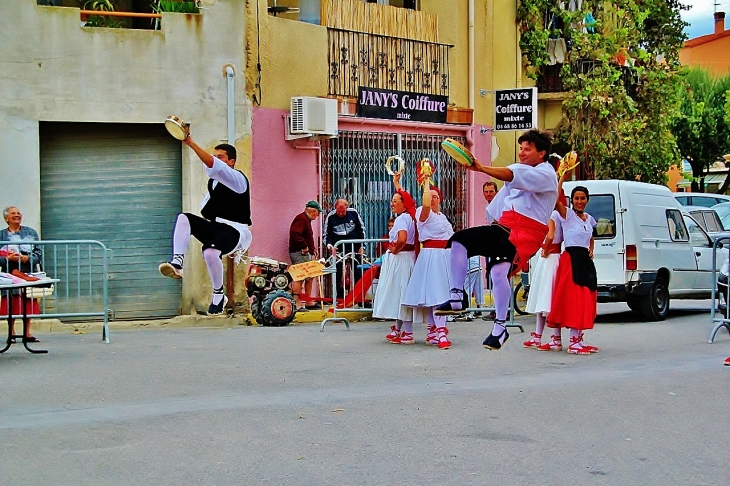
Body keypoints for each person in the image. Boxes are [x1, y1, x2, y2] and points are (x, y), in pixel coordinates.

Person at [435, 129, 558, 352]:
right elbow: (497, 206)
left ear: (542, 153)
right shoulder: (520, 175)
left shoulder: (546, 173)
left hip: (526, 233)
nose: (521, 152)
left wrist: (480, 167)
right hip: (504, 227)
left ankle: (500, 326)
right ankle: (457, 297)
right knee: (459, 241)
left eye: (527, 149)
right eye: (520, 148)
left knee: (498, 273)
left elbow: (511, 174)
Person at [158, 133, 252, 315]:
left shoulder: (237, 179)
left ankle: (218, 294)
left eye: (221, 157)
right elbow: (206, 209)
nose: (216, 160)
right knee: (184, 218)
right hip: (217, 227)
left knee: (210, 252)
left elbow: (211, 164)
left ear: (231, 162)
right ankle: (177, 263)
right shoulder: (214, 184)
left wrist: (190, 142)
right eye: (215, 156)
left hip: (235, 231)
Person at [546, 182, 599, 355]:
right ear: (572, 199)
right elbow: (555, 197)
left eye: (582, 198)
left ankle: (578, 339)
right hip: (571, 259)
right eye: (576, 198)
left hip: (584, 260)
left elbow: (591, 236)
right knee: (574, 298)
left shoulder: (589, 219)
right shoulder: (567, 215)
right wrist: (562, 176)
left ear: (587, 200)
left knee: (585, 298)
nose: (579, 201)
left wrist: (591, 249)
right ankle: (572, 343)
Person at [401, 184, 454, 348]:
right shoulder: (424, 213)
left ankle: (433, 331)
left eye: (435, 196)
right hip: (432, 256)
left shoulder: (442, 217)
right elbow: (424, 205)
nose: (432, 199)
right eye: (429, 196)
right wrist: (426, 181)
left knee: (440, 295)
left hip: (444, 256)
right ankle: (441, 332)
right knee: (437, 295)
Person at [375, 173, 417, 344]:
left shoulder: (401, 219)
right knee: (401, 293)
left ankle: (407, 331)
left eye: (395, 201)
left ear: (402, 204)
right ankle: (399, 328)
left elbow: (401, 238)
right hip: (407, 258)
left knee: (400, 294)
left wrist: (395, 250)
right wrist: (396, 183)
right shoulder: (411, 216)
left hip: (400, 259)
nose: (392, 203)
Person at [0, 206, 43, 342]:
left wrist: (28, 258)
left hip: (27, 271)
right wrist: (7, 259)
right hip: (9, 272)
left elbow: (38, 252)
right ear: (7, 218)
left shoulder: (31, 232)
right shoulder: (1, 235)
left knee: (28, 301)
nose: (17, 215)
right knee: (10, 303)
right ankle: (11, 333)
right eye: (13, 213)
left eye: (19, 213)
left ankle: (27, 333)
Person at [523, 209, 564, 350]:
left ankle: (550, 338)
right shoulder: (559, 215)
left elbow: (550, 235)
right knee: (546, 298)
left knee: (546, 297)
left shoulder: (551, 215)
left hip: (548, 258)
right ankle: (540, 336)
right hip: (555, 256)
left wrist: (546, 249)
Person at [323, 199, 366, 297]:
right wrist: (330, 246)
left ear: (347, 207)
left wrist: (362, 246)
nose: (341, 214)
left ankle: (360, 298)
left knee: (358, 272)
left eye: (343, 211)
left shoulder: (353, 213)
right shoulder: (331, 217)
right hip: (338, 248)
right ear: (335, 208)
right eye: (338, 211)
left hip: (354, 247)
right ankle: (340, 298)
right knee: (337, 273)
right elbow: (327, 234)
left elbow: (361, 230)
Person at [288, 200, 323, 311]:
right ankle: (297, 303)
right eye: (318, 213)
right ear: (313, 211)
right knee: (300, 277)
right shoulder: (302, 219)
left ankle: (308, 301)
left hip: (304, 253)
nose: (317, 216)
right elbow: (295, 233)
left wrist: (312, 249)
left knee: (309, 276)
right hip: (300, 253)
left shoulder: (304, 220)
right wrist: (304, 246)